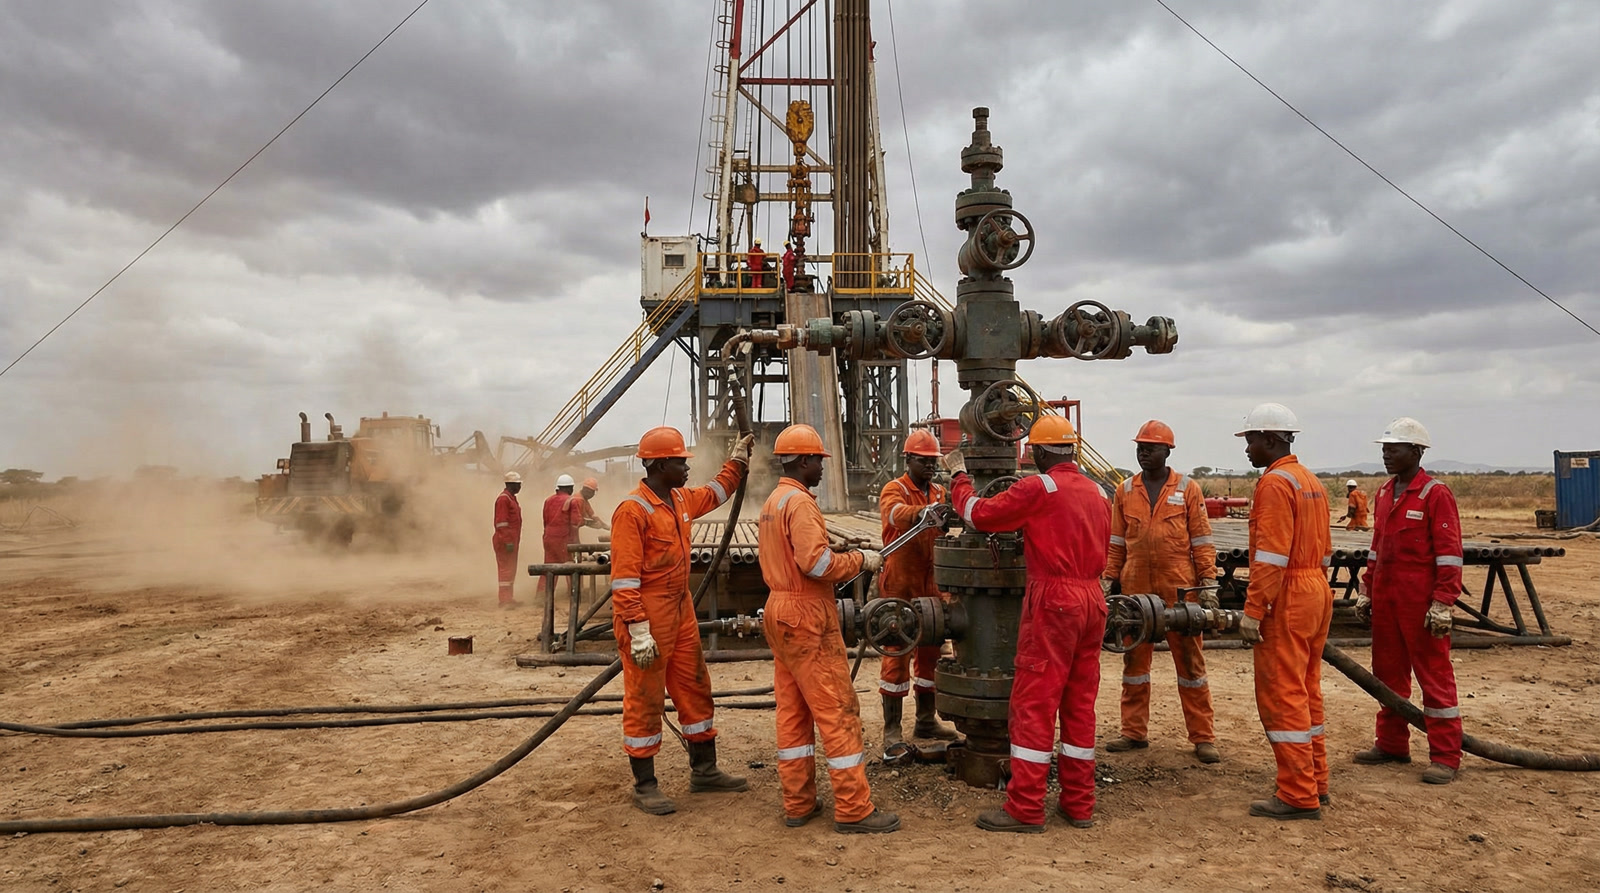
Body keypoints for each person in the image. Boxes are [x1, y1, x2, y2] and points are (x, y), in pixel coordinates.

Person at [943, 415, 1109, 833]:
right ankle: (1078, 804)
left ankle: (1026, 808)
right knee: (1078, 706)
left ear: (1036, 451)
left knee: (1034, 705)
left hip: (1054, 602)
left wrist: (959, 476)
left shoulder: (1039, 488)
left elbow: (977, 515)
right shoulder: (1098, 491)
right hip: (1092, 600)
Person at [758, 423, 898, 834]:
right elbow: (815, 565)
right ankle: (854, 809)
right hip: (805, 613)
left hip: (779, 610)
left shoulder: (775, 500)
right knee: (837, 709)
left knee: (794, 711)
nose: (821, 467)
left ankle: (798, 802)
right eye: (818, 460)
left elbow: (797, 553)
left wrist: (835, 548)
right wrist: (859, 562)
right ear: (803, 461)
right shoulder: (800, 504)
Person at [609, 426, 754, 814]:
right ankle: (645, 785)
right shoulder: (633, 511)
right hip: (647, 616)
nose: (686, 467)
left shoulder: (680, 500)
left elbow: (717, 492)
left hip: (679, 609)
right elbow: (624, 580)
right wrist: (638, 631)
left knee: (694, 687)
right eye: (679, 461)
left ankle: (704, 771)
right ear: (658, 465)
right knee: (645, 697)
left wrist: (738, 461)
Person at [1235, 402, 1334, 820]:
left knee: (1283, 693)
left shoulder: (1275, 484)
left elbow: (1271, 557)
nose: (1247, 449)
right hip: (1316, 589)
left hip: (1289, 594)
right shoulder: (1309, 480)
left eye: (1251, 440)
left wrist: (1254, 610)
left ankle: (1297, 794)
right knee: (1307, 687)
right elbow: (1325, 551)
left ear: (1272, 439)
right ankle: (1316, 780)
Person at [1353, 417, 1464, 784]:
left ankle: (1446, 756)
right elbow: (1377, 547)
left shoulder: (1435, 494)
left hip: (1420, 603)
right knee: (1387, 672)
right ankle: (1391, 744)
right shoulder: (1385, 492)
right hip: (1386, 597)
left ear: (1417, 452)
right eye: (1384, 449)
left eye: (1394, 449)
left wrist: (1443, 603)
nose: (1386, 455)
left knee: (1434, 676)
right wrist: (1366, 591)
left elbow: (1449, 555)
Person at [1103, 420, 1221, 764]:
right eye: (1140, 447)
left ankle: (1202, 737)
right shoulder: (1125, 490)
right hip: (1135, 589)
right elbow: (1116, 542)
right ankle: (1133, 732)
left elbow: (1201, 540)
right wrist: (1109, 579)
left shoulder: (1188, 489)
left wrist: (1208, 584)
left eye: (1150, 448)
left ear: (1167, 451)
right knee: (1134, 663)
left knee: (1191, 665)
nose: (1143, 453)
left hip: (1180, 590)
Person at [876, 430, 957, 749]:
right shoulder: (894, 489)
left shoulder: (939, 491)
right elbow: (894, 514)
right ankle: (892, 729)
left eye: (934, 462)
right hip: (901, 586)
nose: (930, 468)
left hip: (932, 586)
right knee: (896, 653)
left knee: (931, 655)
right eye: (923, 462)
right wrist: (920, 514)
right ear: (907, 459)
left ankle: (926, 721)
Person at [541, 474, 585, 605]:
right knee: (570, 566)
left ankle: (542, 595)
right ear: (570, 488)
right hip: (564, 539)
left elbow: (545, 520)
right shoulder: (572, 501)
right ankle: (574, 594)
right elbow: (575, 522)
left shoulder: (548, 500)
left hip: (548, 538)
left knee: (549, 567)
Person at [493, 472, 523, 608]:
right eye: (518, 484)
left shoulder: (511, 499)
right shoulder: (504, 499)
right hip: (504, 541)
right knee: (505, 570)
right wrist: (508, 541)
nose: (520, 486)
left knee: (511, 569)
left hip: (511, 541)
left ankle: (509, 598)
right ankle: (504, 600)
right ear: (511, 484)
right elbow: (501, 523)